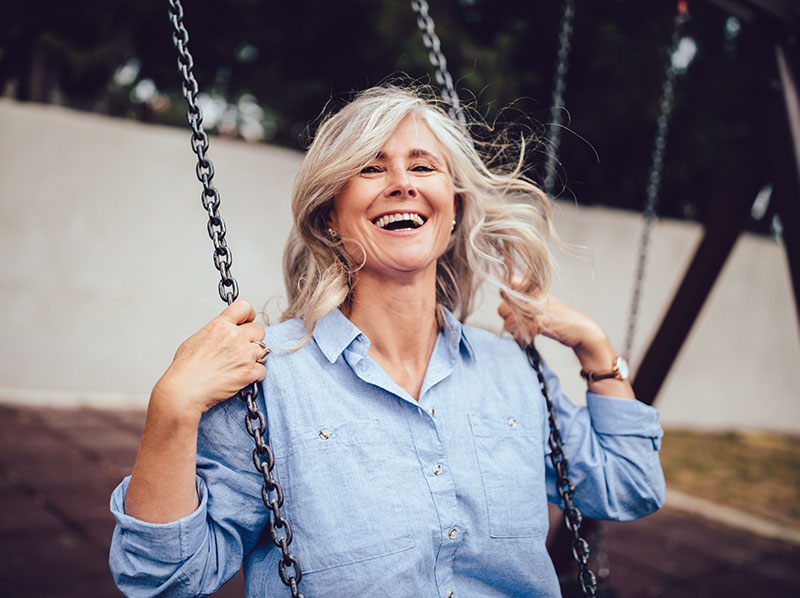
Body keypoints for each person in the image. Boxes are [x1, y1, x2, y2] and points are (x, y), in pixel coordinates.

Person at [109, 85, 665, 597]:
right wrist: (172, 409)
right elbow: (163, 580)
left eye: (423, 165)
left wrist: (595, 350)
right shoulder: (268, 379)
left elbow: (629, 485)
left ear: (453, 211)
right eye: (371, 169)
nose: (403, 183)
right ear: (330, 216)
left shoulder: (511, 370)